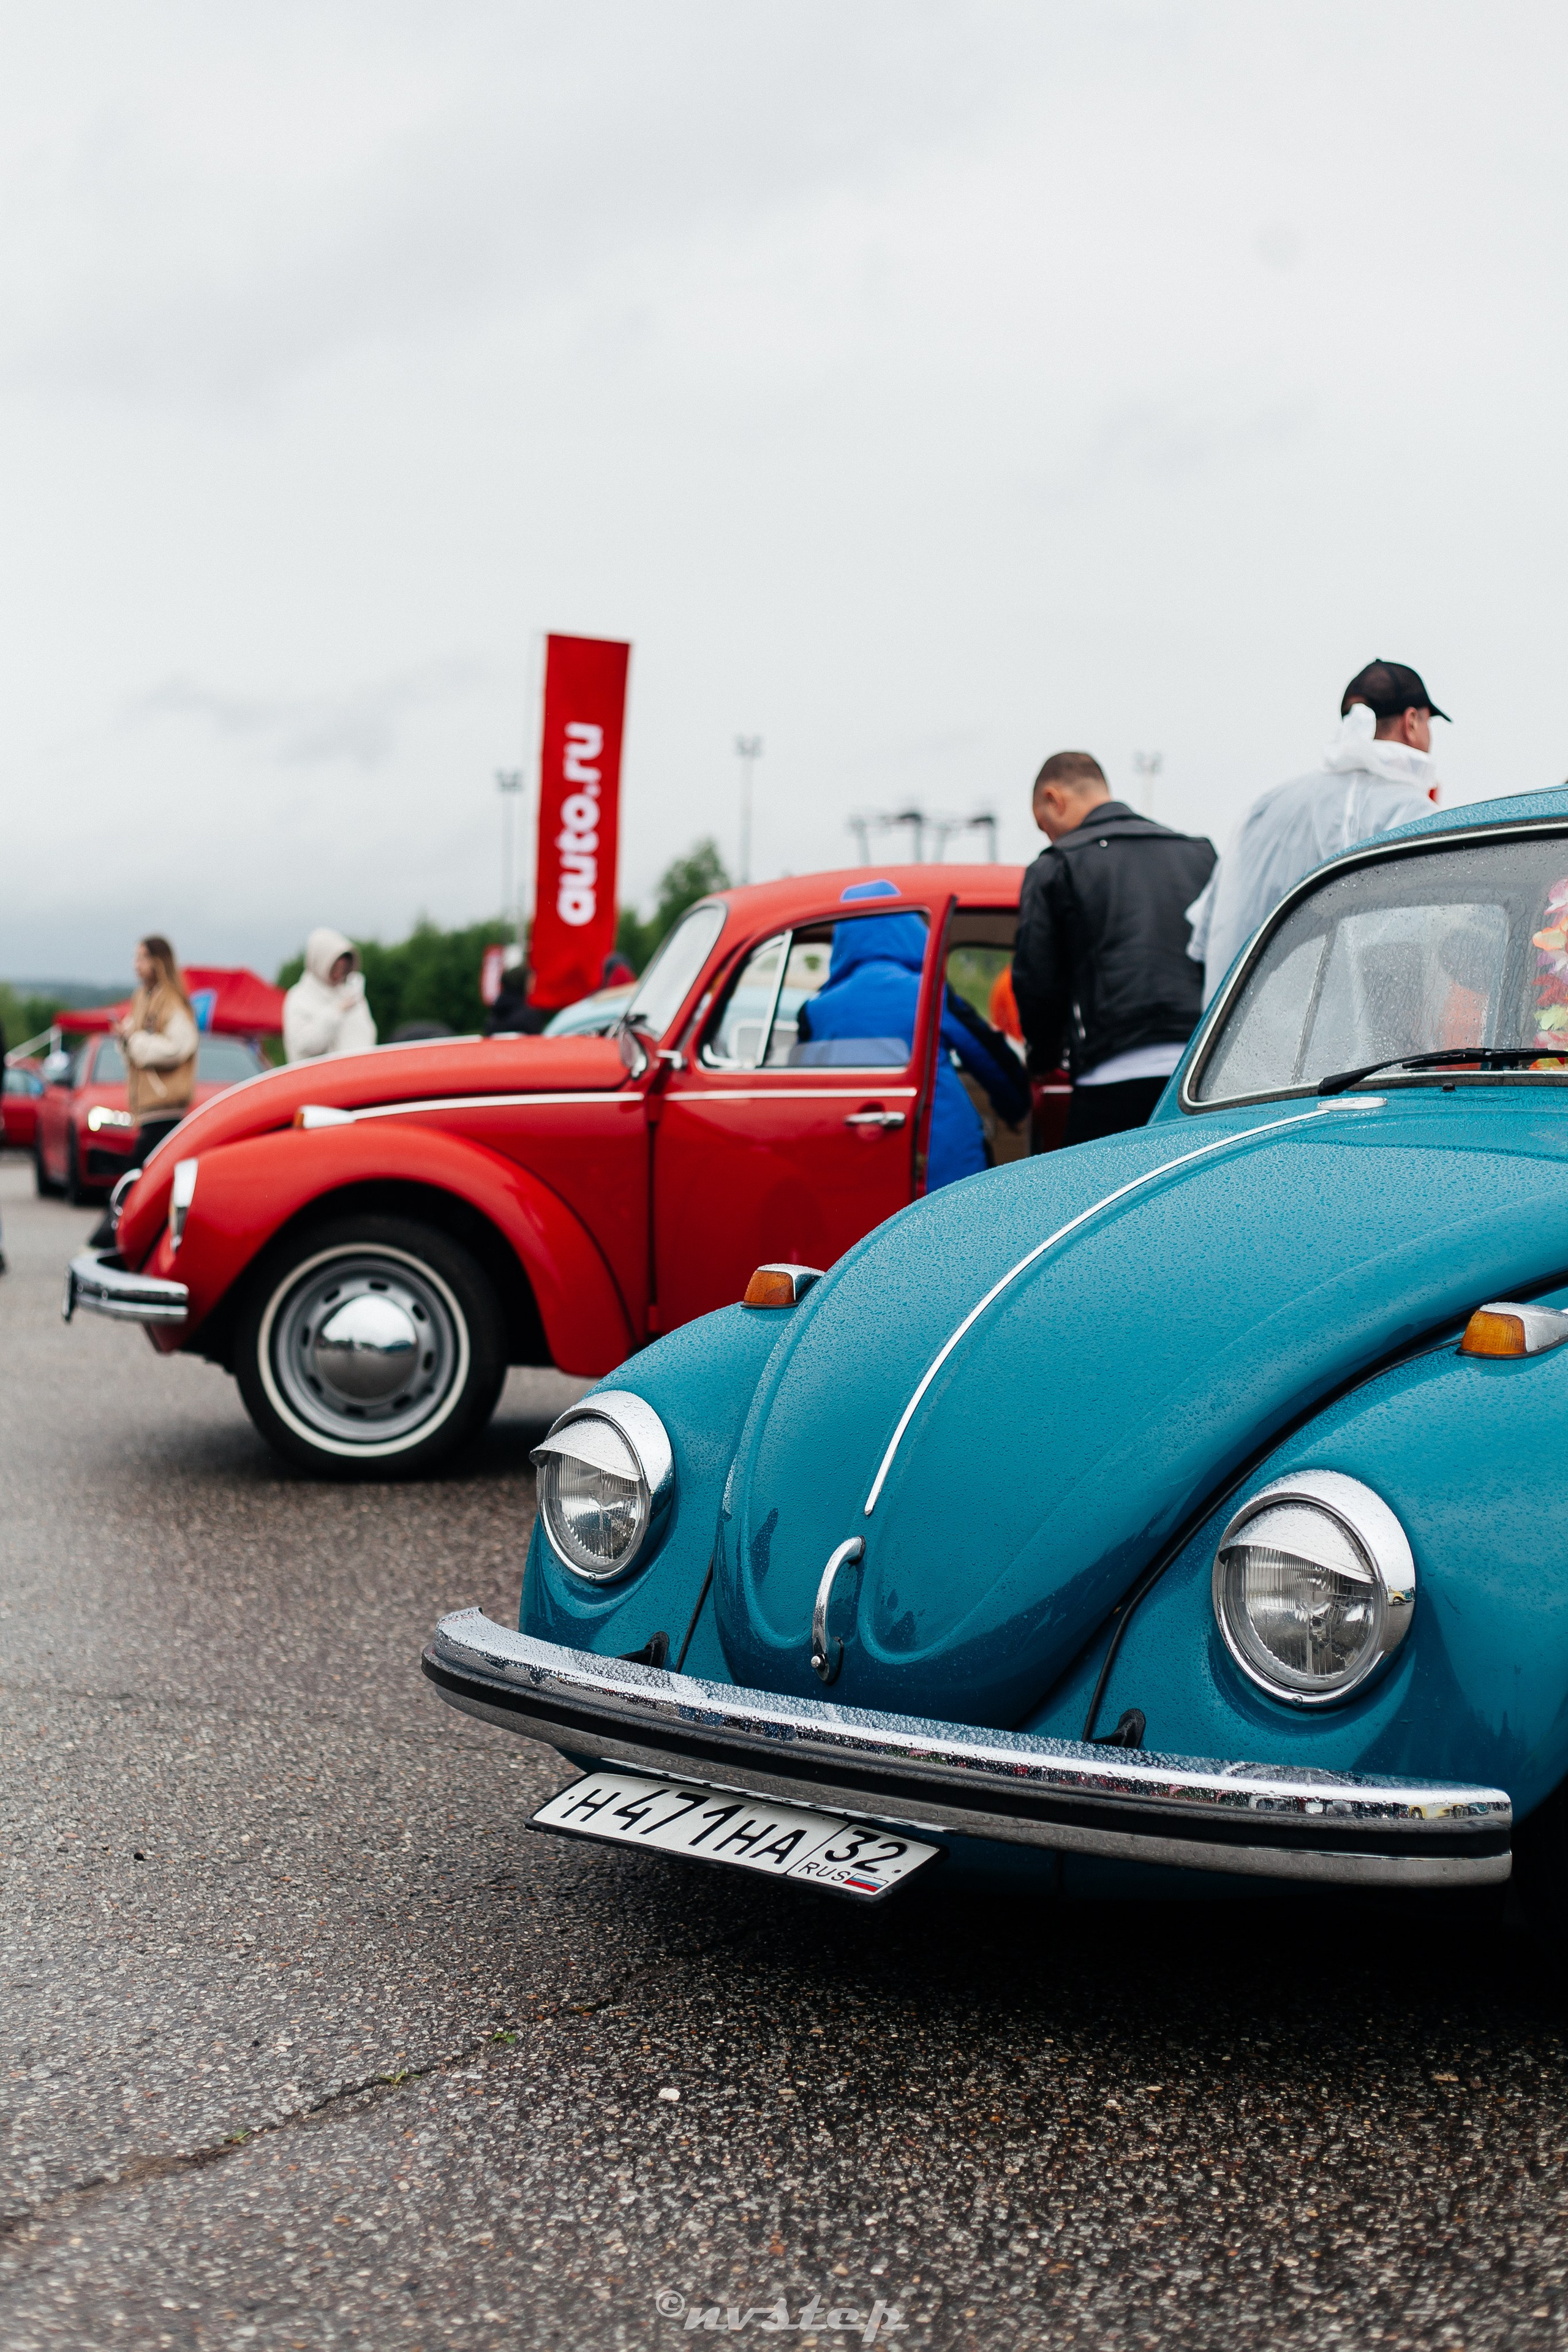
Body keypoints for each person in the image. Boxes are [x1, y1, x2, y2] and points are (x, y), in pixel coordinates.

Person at [1187, 660, 1447, 1007]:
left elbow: (1204, 942)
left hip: (1234, 1049)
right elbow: (1418, 948)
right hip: (1347, 1057)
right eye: (1429, 723)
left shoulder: (1262, 807)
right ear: (1412, 721)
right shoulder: (1411, 812)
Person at [1012, 752, 1216, 1146]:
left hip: (1111, 1077)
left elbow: (1037, 981)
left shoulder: (1057, 864)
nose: (1050, 837)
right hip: (1203, 1076)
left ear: (1054, 800)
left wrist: (1042, 1060)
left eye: (1044, 826)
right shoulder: (1201, 854)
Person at [794, 880, 1029, 1190]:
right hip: (945, 1163)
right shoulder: (929, 994)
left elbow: (806, 1089)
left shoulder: (815, 1011)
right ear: (908, 930)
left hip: (854, 1159)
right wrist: (1014, 1105)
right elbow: (987, 1058)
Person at [118, 935, 200, 1170]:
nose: (137, 964)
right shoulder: (142, 998)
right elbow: (134, 1042)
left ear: (159, 962)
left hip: (166, 1107)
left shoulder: (172, 1001)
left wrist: (135, 1041)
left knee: (137, 1176)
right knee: (144, 1174)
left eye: (143, 958)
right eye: (136, 958)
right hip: (147, 1108)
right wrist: (125, 1038)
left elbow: (179, 1047)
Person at [283, 929, 378, 1061]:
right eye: (334, 966)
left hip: (359, 1076)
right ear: (320, 961)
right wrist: (337, 1011)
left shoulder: (352, 996)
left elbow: (367, 1038)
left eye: (344, 967)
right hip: (318, 1080)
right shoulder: (299, 998)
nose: (339, 973)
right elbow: (305, 1046)